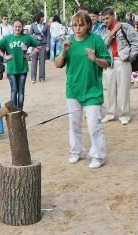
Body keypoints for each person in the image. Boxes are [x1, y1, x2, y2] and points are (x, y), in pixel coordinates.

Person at [54, 12, 111, 169]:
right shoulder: (68, 42)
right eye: (75, 25)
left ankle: (98, 155)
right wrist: (64, 52)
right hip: (73, 90)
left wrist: (95, 59)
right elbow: (57, 64)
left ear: (88, 26)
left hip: (92, 90)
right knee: (74, 124)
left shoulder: (96, 41)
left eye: (81, 25)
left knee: (94, 125)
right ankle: (76, 151)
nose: (77, 28)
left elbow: (107, 63)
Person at [100, 7, 138, 125]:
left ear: (113, 16)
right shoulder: (105, 30)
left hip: (123, 61)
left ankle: (124, 115)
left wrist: (129, 57)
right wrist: (112, 33)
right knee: (110, 90)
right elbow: (103, 45)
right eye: (103, 19)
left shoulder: (126, 27)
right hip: (110, 62)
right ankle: (110, 113)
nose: (105, 21)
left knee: (123, 89)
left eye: (107, 18)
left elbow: (136, 43)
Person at [0, 18, 41, 110]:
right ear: (13, 27)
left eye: (19, 26)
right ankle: (14, 112)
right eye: (16, 26)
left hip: (23, 68)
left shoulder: (26, 37)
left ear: (22, 27)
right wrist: (4, 56)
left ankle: (20, 110)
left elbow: (39, 46)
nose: (17, 28)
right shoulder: (7, 38)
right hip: (12, 69)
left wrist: (30, 55)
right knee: (14, 90)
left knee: (21, 91)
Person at [29, 12, 50, 83]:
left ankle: (42, 77)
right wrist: (36, 37)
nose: (43, 18)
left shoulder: (46, 25)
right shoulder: (33, 25)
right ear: (38, 18)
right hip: (35, 45)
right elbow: (29, 35)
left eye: (43, 17)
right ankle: (33, 78)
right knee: (34, 62)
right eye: (42, 17)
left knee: (42, 62)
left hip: (43, 45)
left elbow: (48, 36)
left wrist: (48, 46)